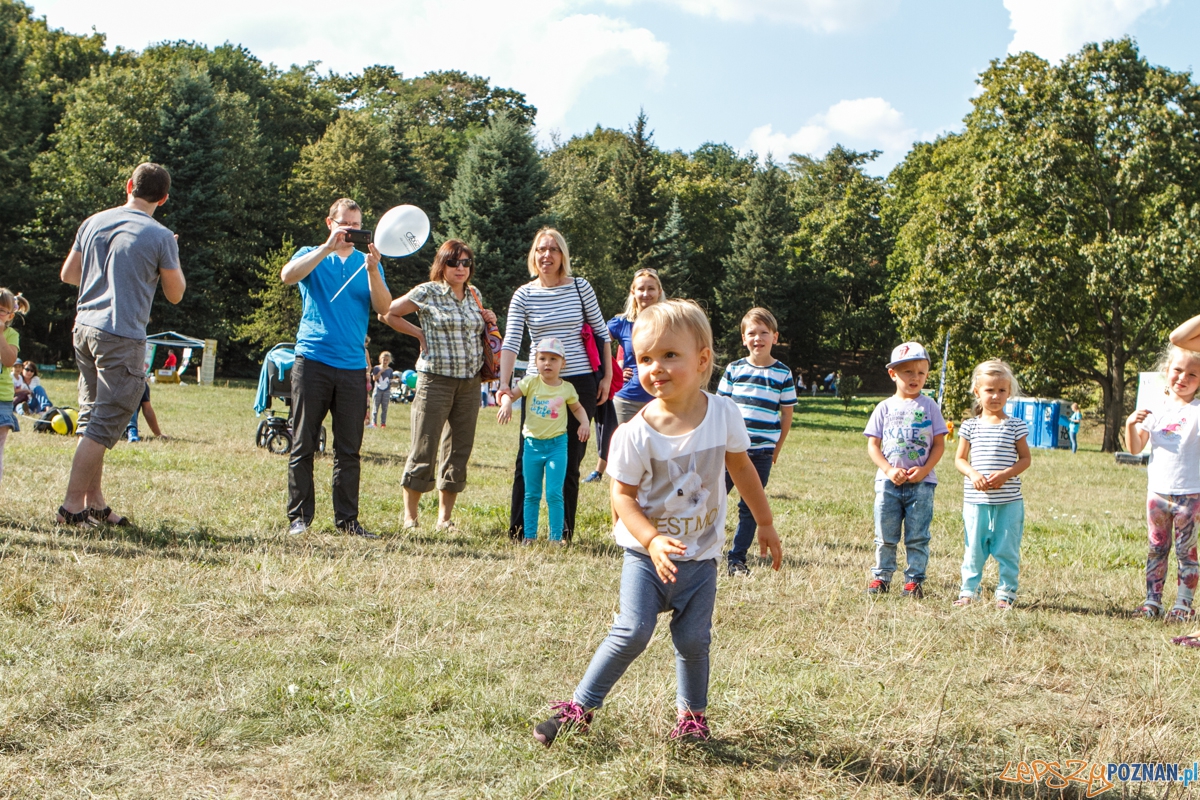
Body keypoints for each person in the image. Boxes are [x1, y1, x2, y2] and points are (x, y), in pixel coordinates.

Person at [532, 300, 783, 747]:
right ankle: (579, 708)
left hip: (700, 560)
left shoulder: (724, 413)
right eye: (645, 358)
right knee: (631, 631)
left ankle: (692, 719)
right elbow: (621, 497)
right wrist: (650, 541)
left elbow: (743, 469)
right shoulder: (633, 433)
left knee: (693, 641)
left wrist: (764, 522)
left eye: (670, 355)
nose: (656, 367)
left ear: (703, 359)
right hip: (645, 558)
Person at [57, 163, 186, 527]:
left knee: (92, 417)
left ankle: (95, 502)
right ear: (163, 198)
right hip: (121, 335)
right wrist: (167, 256)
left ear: (129, 185)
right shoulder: (160, 236)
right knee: (103, 426)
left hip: (84, 327)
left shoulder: (93, 221)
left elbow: (68, 275)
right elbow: (175, 295)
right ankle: (71, 508)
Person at [281, 197, 391, 539]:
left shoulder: (367, 263)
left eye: (357, 226)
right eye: (345, 225)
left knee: (350, 449)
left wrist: (374, 269)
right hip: (312, 360)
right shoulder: (311, 253)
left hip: (352, 367)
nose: (351, 232)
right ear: (331, 224)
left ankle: (348, 521)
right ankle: (299, 518)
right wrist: (327, 249)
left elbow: (384, 307)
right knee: (303, 443)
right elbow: (287, 276)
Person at [499, 228, 612, 542]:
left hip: (578, 384)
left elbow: (602, 333)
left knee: (570, 461)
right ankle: (521, 531)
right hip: (539, 384)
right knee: (529, 457)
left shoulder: (580, 287)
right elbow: (511, 341)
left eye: (553, 249)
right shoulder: (524, 293)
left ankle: (562, 533)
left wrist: (606, 377)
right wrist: (504, 385)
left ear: (563, 255)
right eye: (540, 249)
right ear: (533, 256)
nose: (546, 255)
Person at [379, 239, 497, 531]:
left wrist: (489, 320)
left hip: (469, 383)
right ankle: (411, 517)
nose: (460, 268)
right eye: (453, 262)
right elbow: (387, 312)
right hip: (435, 380)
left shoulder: (474, 294)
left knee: (459, 449)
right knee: (425, 445)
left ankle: (444, 519)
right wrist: (419, 333)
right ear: (441, 265)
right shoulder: (427, 291)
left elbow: (479, 331)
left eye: (466, 262)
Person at [863, 342, 948, 598]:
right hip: (888, 484)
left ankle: (914, 580)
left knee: (918, 536)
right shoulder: (884, 408)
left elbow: (940, 445)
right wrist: (888, 470)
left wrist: (924, 470)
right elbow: (873, 446)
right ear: (893, 374)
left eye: (921, 372)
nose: (915, 378)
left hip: (921, 485)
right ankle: (881, 576)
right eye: (908, 372)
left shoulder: (930, 406)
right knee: (885, 534)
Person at [717, 308, 796, 576]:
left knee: (750, 506)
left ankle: (736, 559)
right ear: (743, 338)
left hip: (761, 451)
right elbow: (720, 407)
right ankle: (703, 550)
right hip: (728, 451)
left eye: (764, 333)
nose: (757, 338)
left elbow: (786, 414)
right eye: (752, 333)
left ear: (775, 337)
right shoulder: (734, 369)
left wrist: (777, 447)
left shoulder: (783, 374)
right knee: (713, 498)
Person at [1125, 345, 1200, 623]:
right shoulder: (1154, 410)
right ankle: (1152, 601)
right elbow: (1135, 448)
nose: (1183, 377)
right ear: (1166, 371)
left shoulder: (1196, 411)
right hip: (1157, 494)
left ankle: (1183, 604)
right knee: (1157, 547)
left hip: (1190, 495)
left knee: (1186, 551)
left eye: (1192, 374)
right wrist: (1130, 424)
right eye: (1178, 370)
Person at [953, 360, 1032, 610]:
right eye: (989, 390)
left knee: (1007, 550)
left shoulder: (1015, 426)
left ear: (1009, 392)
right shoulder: (970, 426)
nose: (995, 396)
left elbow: (1025, 459)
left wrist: (1006, 474)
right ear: (977, 391)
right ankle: (968, 592)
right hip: (976, 502)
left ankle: (1005, 595)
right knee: (973, 550)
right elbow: (959, 459)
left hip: (1008, 503)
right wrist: (973, 474)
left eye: (1001, 390)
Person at [497, 338, 590, 543]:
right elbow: (509, 395)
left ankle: (556, 538)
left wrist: (584, 423)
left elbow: (577, 408)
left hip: (557, 445)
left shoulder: (567, 388)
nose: (547, 363)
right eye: (543, 358)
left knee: (555, 493)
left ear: (563, 363)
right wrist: (506, 404)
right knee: (531, 494)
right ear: (536, 362)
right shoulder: (529, 383)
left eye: (553, 359)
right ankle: (529, 536)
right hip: (532, 446)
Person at [606, 268, 664, 424]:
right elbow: (595, 345)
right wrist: (613, 371)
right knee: (624, 448)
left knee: (659, 448)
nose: (646, 294)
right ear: (633, 292)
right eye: (641, 289)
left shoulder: (669, 323)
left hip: (660, 399)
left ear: (659, 291)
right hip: (626, 401)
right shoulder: (621, 323)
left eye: (651, 288)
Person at [0, 290, 29, 489]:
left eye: (1, 311)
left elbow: (9, 360)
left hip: (1, 400)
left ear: (11, 316)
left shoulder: (11, 335)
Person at [584, 348, 624, 482]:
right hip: (624, 395)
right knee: (612, 434)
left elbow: (604, 344)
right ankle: (599, 472)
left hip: (604, 384)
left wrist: (609, 377)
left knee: (612, 434)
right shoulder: (620, 326)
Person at [371, 351, 394, 428]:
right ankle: (374, 422)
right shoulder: (376, 368)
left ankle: (383, 423)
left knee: (385, 407)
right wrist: (380, 372)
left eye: (387, 360)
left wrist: (394, 382)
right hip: (378, 390)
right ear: (380, 360)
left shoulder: (390, 370)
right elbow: (374, 378)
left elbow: (390, 380)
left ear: (389, 361)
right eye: (384, 359)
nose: (385, 361)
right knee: (375, 407)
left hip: (386, 391)